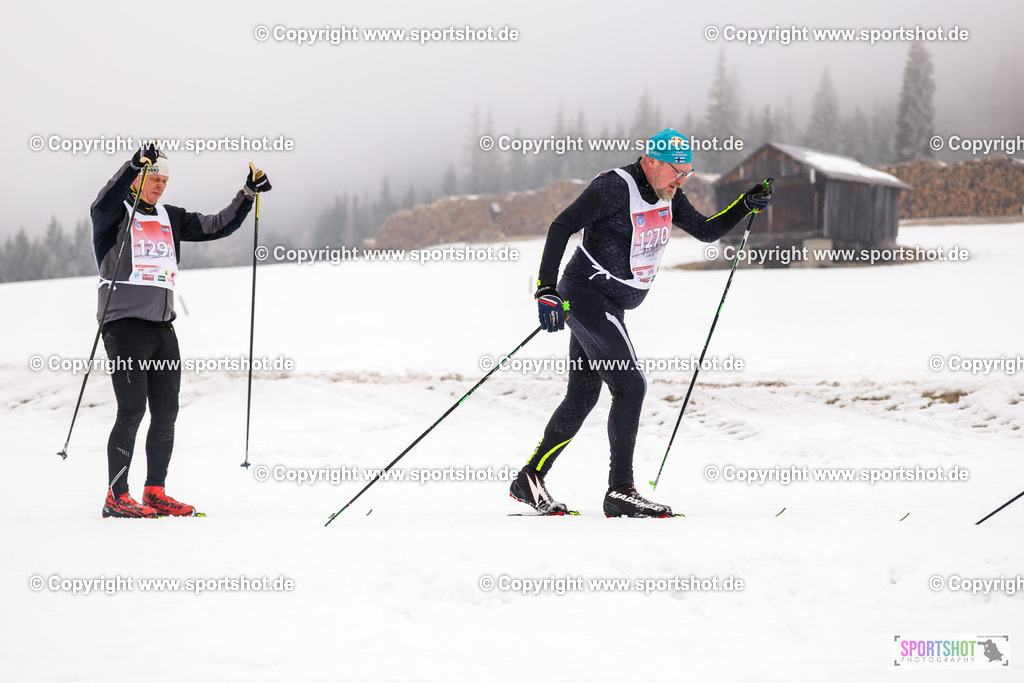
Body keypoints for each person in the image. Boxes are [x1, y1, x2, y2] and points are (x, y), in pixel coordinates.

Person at [509, 129, 772, 517]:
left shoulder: (667, 192)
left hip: (609, 305)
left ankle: (529, 478)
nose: (681, 180)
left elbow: (706, 230)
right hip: (585, 296)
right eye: (675, 171)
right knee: (630, 385)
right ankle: (620, 490)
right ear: (650, 160)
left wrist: (744, 205)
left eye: (688, 173)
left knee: (583, 397)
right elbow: (561, 225)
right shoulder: (614, 188)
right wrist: (546, 289)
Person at [91, 143, 272, 518]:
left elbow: (215, 225)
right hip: (123, 326)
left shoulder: (169, 217)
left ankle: (155, 491)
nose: (159, 186)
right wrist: (130, 165)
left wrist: (247, 195)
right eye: (153, 178)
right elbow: (102, 201)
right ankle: (116, 495)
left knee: (166, 412)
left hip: (162, 328)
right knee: (131, 410)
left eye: (164, 180)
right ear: (138, 179)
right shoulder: (113, 216)